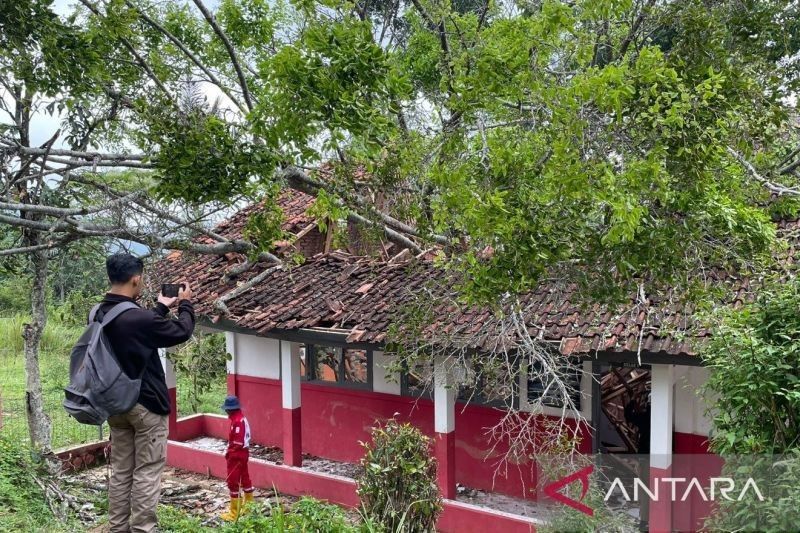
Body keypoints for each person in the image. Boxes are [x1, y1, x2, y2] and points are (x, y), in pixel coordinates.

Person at [100, 253, 195, 533]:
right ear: (136, 279)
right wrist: (185, 303)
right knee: (147, 470)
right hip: (145, 405)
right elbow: (181, 331)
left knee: (121, 470)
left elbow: (133, 328)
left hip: (115, 403)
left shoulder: (98, 313)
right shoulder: (139, 318)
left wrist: (161, 308)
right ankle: (143, 528)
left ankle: (118, 527)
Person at [221, 395, 255, 521]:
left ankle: (234, 513)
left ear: (231, 409)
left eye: (227, 409)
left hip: (237, 455)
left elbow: (237, 443)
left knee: (232, 482)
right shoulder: (240, 418)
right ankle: (249, 506)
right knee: (245, 479)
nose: (226, 411)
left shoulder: (237, 422)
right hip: (243, 454)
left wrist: (229, 453)